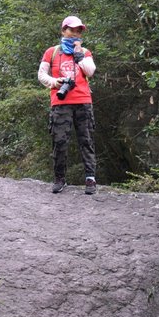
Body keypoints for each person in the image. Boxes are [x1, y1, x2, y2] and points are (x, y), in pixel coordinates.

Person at [37, 15, 98, 194]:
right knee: (59, 141)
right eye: (72, 30)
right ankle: (59, 179)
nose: (75, 33)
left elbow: (90, 71)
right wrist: (54, 82)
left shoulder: (85, 52)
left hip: (83, 101)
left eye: (78, 31)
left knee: (86, 140)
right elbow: (41, 75)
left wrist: (79, 55)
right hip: (60, 102)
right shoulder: (52, 52)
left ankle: (90, 179)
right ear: (64, 30)